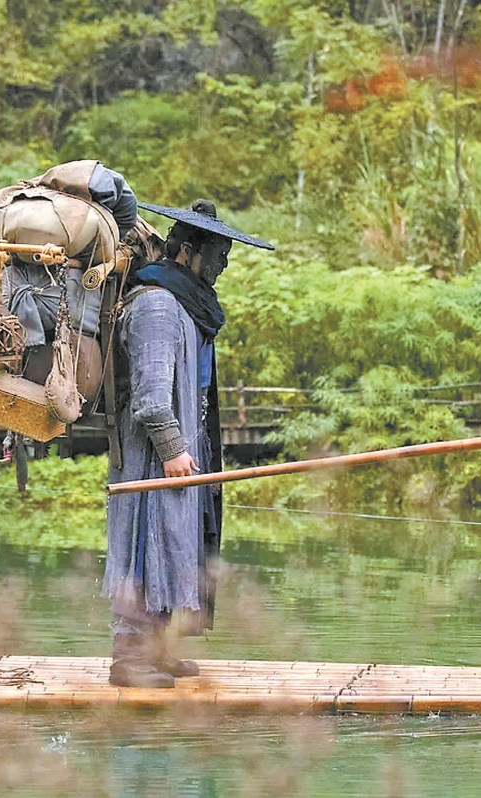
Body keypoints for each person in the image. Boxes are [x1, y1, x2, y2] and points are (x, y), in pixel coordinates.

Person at [104, 199, 273, 688]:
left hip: (182, 453)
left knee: (175, 541)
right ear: (186, 252)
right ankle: (128, 658)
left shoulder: (185, 304)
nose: (224, 265)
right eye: (218, 254)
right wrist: (173, 448)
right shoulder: (156, 304)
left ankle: (156, 651)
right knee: (145, 541)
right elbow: (152, 397)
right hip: (151, 456)